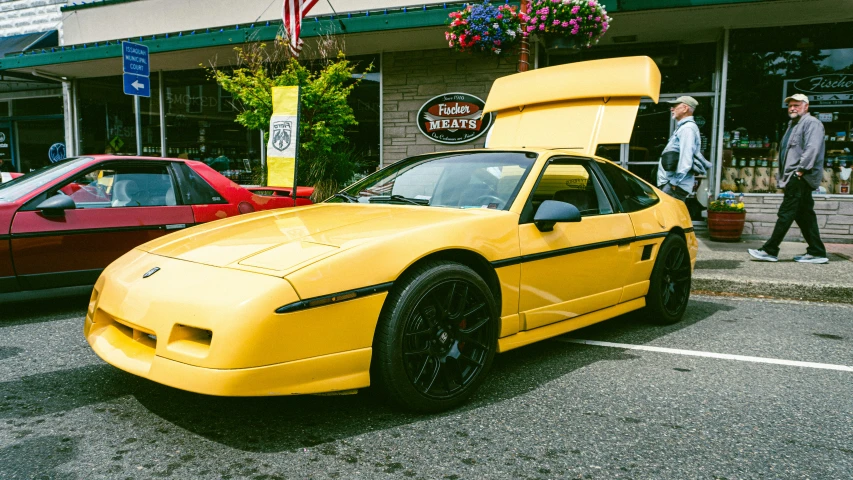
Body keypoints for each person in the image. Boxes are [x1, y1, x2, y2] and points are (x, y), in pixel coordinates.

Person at [748, 93, 828, 264]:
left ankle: (770, 250)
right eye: (790, 106)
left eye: (796, 105)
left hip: (800, 176)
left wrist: (799, 171)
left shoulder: (812, 123)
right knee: (805, 216)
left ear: (806, 106)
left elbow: (812, 149)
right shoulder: (793, 124)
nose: (792, 108)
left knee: (786, 213)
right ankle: (817, 252)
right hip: (796, 176)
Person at [657, 96, 701, 202]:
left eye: (675, 106)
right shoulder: (685, 127)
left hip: (674, 186)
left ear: (685, 108)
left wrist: (673, 183)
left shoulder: (687, 128)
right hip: (673, 185)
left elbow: (686, 159)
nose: (671, 109)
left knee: (669, 217)